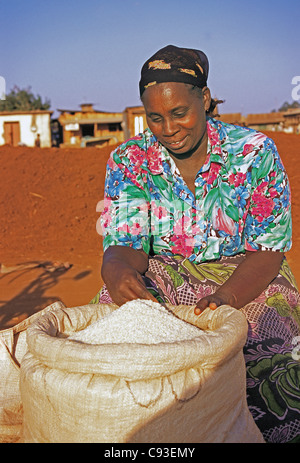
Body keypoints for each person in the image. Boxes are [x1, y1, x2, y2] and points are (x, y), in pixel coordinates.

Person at [93, 45, 300, 443]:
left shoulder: (254, 153)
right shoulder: (128, 160)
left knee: (273, 363)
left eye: (178, 113)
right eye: (154, 118)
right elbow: (126, 244)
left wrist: (224, 301)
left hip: (246, 275)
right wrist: (115, 269)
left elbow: (268, 250)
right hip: (164, 270)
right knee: (112, 345)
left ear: (204, 99)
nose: (167, 128)